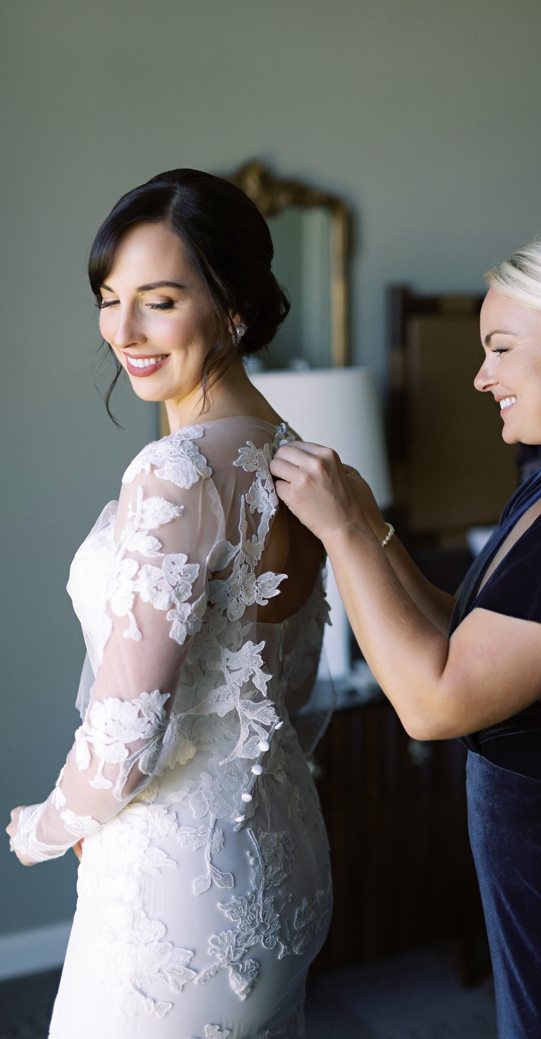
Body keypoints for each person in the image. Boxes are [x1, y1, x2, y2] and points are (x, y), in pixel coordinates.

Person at [269, 225, 541, 1037]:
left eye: (499, 348)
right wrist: (367, 519)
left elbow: (434, 703)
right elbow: (463, 634)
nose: (479, 375)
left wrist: (346, 537)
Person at [5, 169, 333, 1036]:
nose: (123, 330)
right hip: (278, 843)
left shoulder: (176, 470)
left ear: (232, 307)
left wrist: (45, 824)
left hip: (178, 880)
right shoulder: (291, 454)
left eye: (158, 300)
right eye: (110, 299)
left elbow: (125, 737)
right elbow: (293, 685)